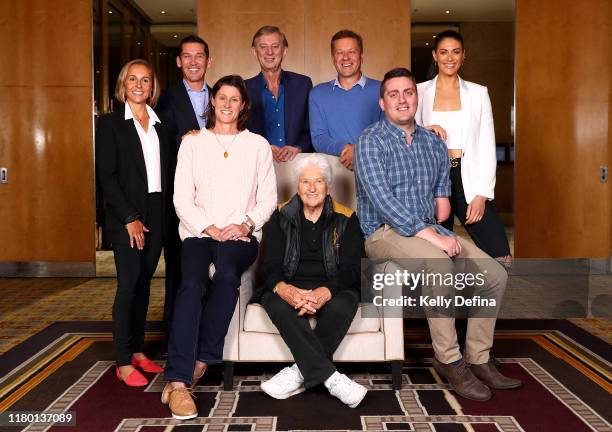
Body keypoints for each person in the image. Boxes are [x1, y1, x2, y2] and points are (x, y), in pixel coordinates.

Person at [355, 68, 521, 402]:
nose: (402, 100)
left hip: (430, 229)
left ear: (416, 98)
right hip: (384, 233)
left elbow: (442, 209)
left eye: (408, 92)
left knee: (494, 274)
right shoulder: (370, 141)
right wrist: (437, 239)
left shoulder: (433, 143)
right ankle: (449, 359)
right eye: (393, 94)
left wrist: (441, 208)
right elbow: (386, 205)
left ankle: (479, 357)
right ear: (382, 101)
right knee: (439, 263)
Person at [162, 75, 277, 420]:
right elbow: (181, 197)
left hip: (241, 237)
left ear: (243, 106)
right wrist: (207, 227)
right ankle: (180, 382)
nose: (227, 105)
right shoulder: (193, 144)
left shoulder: (257, 145)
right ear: (213, 101)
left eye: (234, 99)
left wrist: (245, 224)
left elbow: (268, 198)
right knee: (192, 282)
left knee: (227, 274)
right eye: (222, 98)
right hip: (199, 233)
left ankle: (199, 362)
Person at [253, 154, 367, 408]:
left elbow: (351, 269)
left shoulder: (347, 217)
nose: (312, 188)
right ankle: (334, 380)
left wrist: (325, 292)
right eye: (306, 182)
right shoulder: (279, 216)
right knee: (276, 302)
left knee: (345, 302)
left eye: (318, 181)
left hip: (333, 287)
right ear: (298, 186)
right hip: (289, 284)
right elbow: (269, 267)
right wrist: (286, 289)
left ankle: (298, 373)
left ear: (329, 186)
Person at [96, 59, 171, 386]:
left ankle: (139, 350)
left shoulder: (162, 125)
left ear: (152, 86)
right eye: (132, 79)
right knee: (128, 284)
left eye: (145, 80)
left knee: (144, 283)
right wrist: (129, 218)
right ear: (123, 85)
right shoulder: (110, 123)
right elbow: (107, 178)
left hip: (159, 210)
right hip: (128, 214)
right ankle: (123, 360)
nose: (139, 85)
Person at [415, 30, 512, 268]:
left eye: (455, 52)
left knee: (501, 254)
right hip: (432, 180)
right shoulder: (418, 91)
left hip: (467, 178)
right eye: (444, 52)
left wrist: (482, 194)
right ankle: (447, 305)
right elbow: (406, 135)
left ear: (463, 56)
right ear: (434, 56)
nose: (450, 58)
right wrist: (425, 130)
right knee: (441, 256)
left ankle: (488, 303)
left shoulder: (479, 93)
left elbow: (487, 146)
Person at [156, 35, 212, 332]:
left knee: (209, 266)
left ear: (208, 61)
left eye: (199, 56)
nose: (193, 62)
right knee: (179, 266)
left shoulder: (220, 97)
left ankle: (208, 329)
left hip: (215, 196)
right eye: (187, 56)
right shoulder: (165, 98)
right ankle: (174, 332)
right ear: (179, 61)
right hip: (182, 193)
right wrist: (181, 141)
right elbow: (158, 144)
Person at [309, 29, 381, 170]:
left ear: (361, 55)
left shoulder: (382, 90)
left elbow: (387, 132)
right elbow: (318, 138)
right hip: (332, 172)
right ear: (333, 57)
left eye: (352, 52)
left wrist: (359, 150)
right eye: (339, 52)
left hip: (375, 169)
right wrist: (347, 149)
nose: (345, 57)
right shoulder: (317, 94)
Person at [245, 25, 313, 162]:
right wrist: (263, 148)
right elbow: (237, 132)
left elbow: (312, 127)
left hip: (297, 163)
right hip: (257, 164)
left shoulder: (303, 84)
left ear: (284, 50)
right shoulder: (243, 89)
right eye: (263, 47)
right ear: (254, 51)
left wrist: (299, 147)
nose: (269, 52)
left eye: (275, 46)